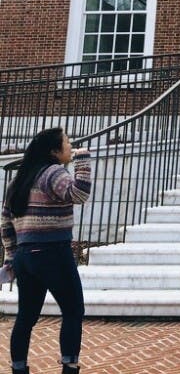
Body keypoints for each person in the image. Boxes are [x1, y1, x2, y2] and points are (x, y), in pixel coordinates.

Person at [1, 128, 91, 374]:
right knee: (73, 310)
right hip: (53, 252)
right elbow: (79, 194)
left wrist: (11, 259)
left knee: (26, 317)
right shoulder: (53, 172)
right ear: (54, 151)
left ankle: (19, 368)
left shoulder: (18, 181)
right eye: (67, 142)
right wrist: (83, 160)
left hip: (25, 257)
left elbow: (6, 224)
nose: (70, 146)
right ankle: (69, 366)